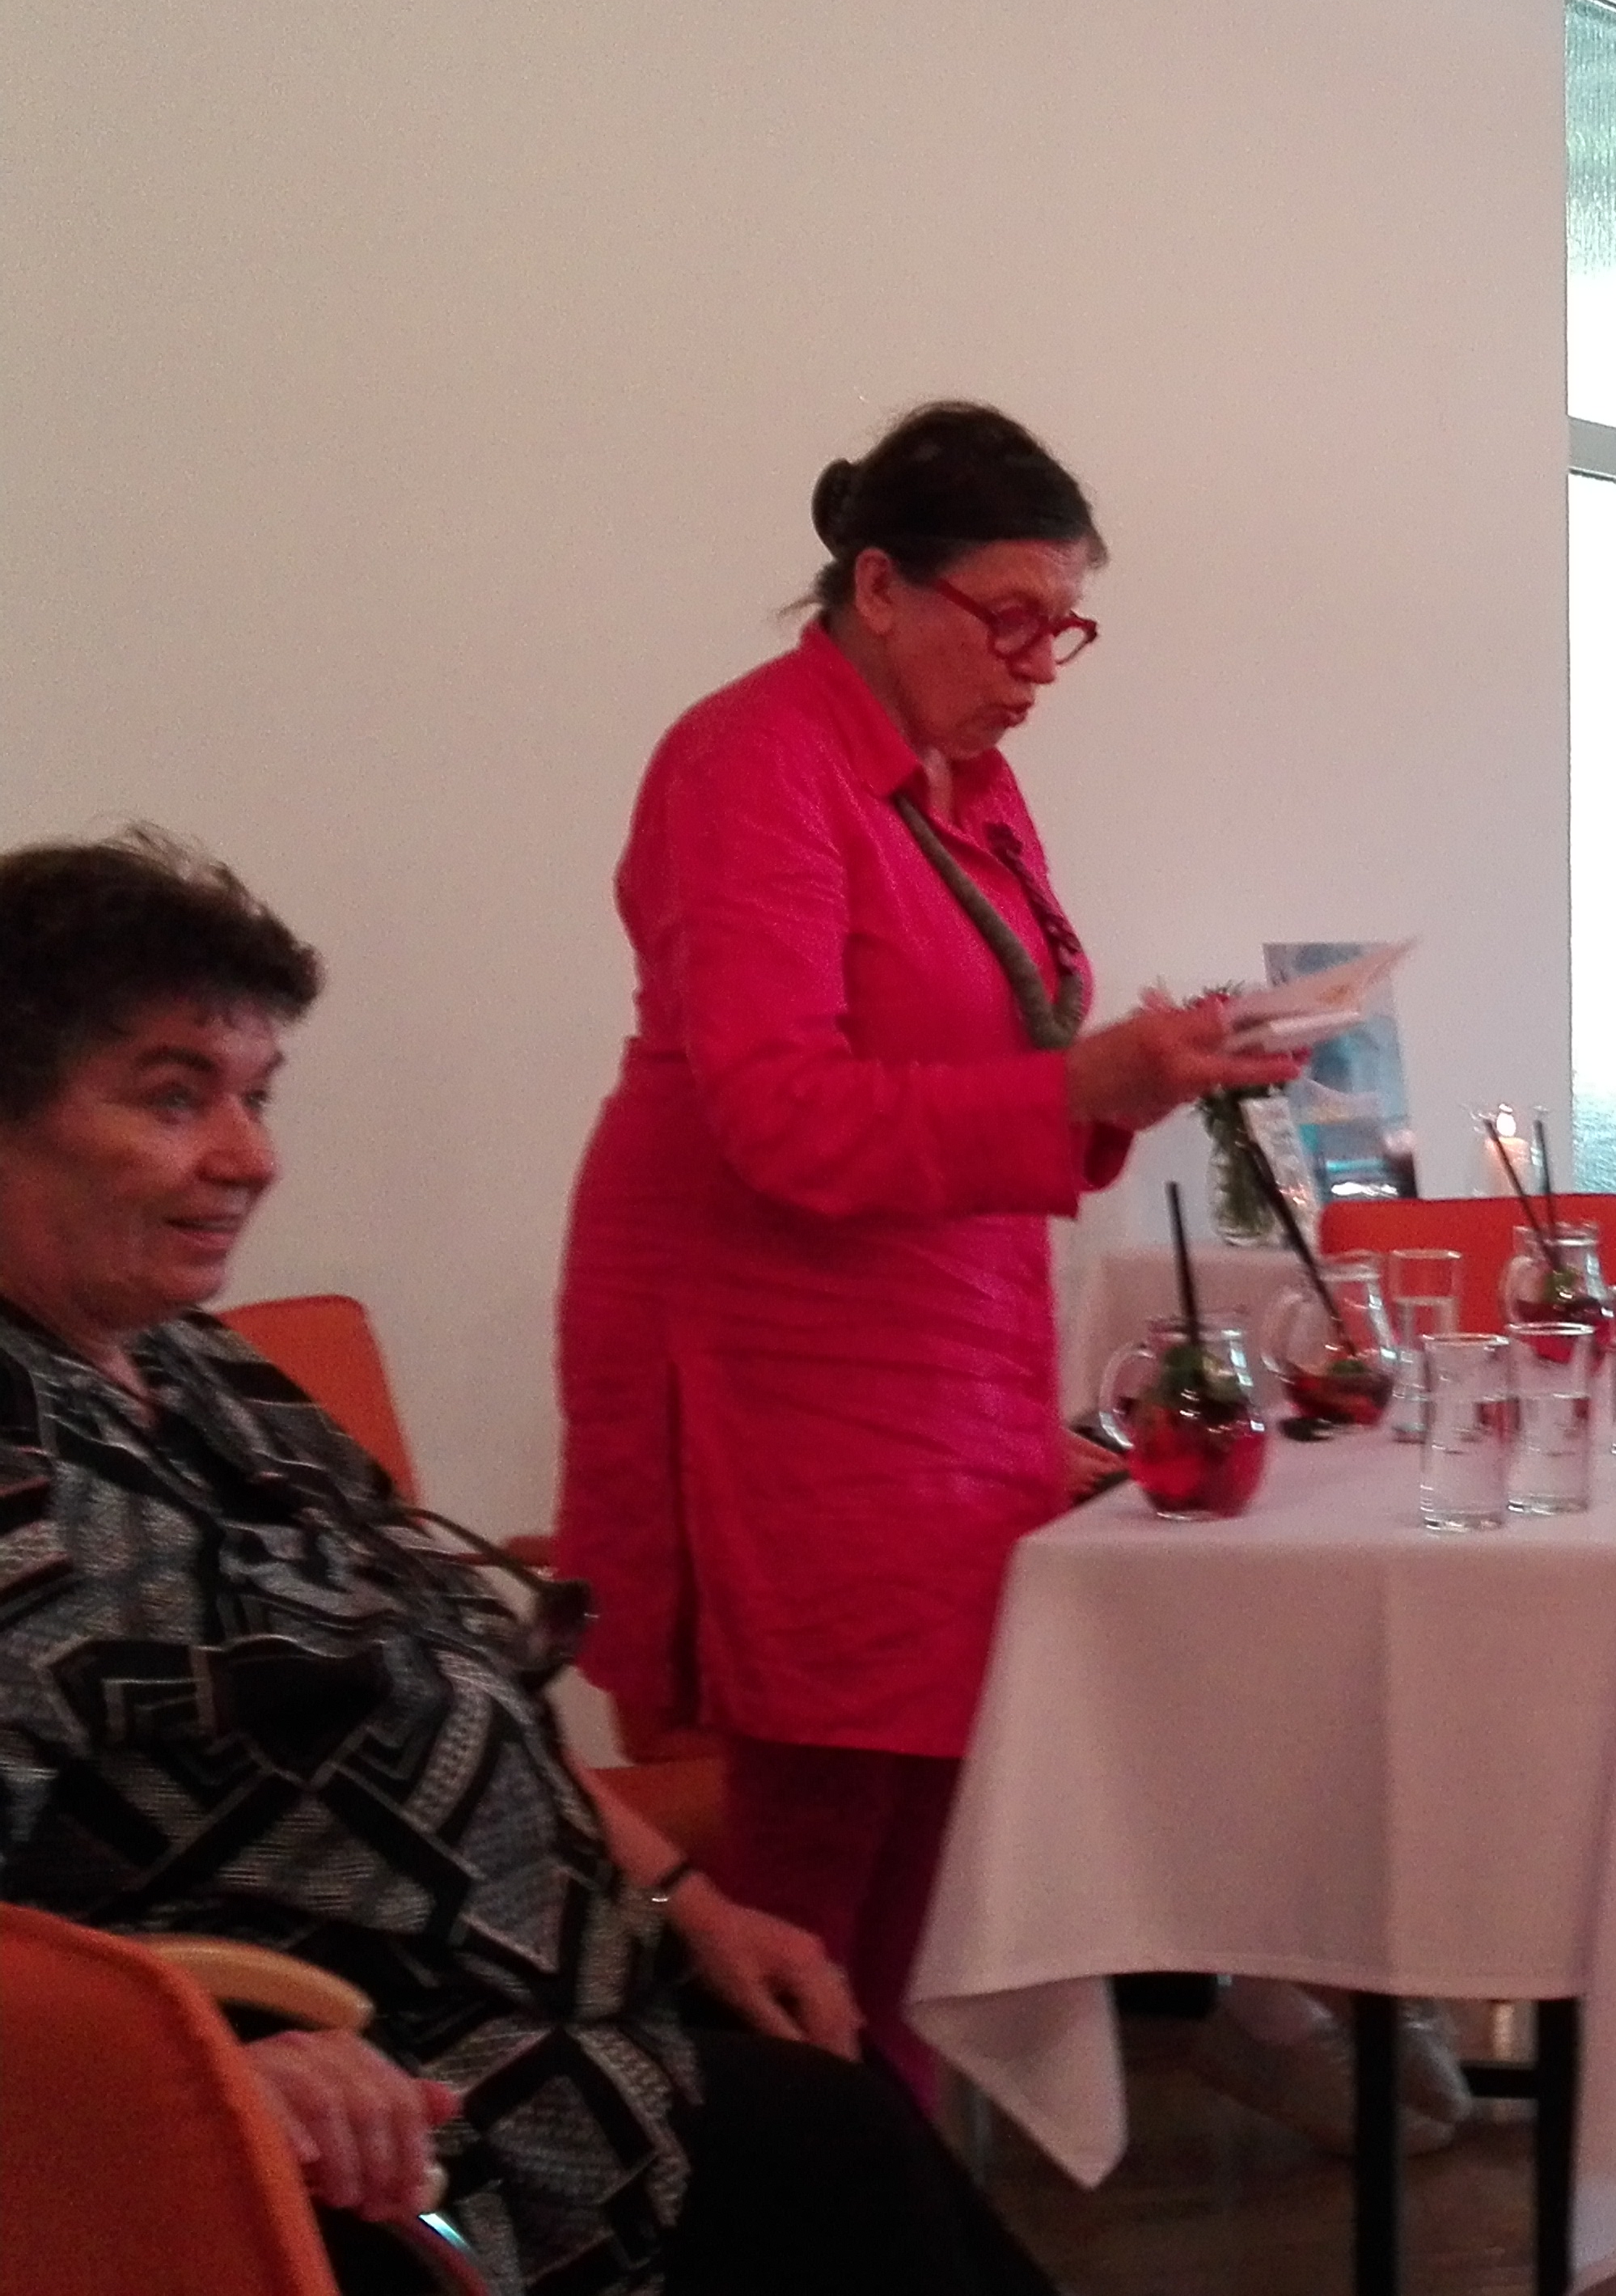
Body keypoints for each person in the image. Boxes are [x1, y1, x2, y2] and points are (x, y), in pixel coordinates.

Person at [0, 829, 1053, 2295]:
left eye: (255, 1096)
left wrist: (687, 1900)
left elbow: (452, 1676)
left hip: (550, 1999)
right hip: (352, 2111)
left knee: (827, 2076)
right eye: (176, 1099)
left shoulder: (203, 1371)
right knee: (828, 2153)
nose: (251, 1157)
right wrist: (211, 2058)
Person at [551, 403, 1330, 2116]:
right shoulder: (752, 761)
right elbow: (779, 1114)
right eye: (1010, 621)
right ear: (880, 586)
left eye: (1064, 629)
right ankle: (809, 2195)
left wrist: (1149, 1069)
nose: (1039, 667)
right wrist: (1082, 1086)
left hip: (938, 1344)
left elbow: (1008, 1049)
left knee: (929, 1859)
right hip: (775, 1352)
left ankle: (889, 2185)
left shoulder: (969, 782)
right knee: (812, 1878)